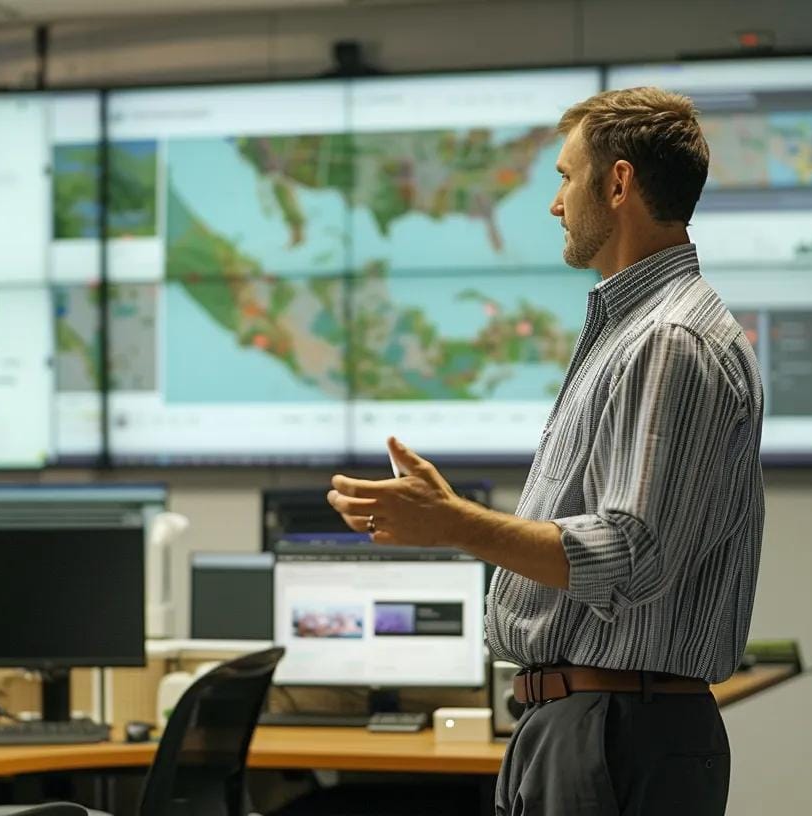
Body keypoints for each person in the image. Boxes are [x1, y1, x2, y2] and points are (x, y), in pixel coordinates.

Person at [327, 87, 764, 815]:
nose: (555, 204)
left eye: (564, 177)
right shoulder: (636, 332)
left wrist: (456, 524)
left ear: (617, 183)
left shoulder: (667, 341)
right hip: (588, 725)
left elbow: (632, 556)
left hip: (615, 732)